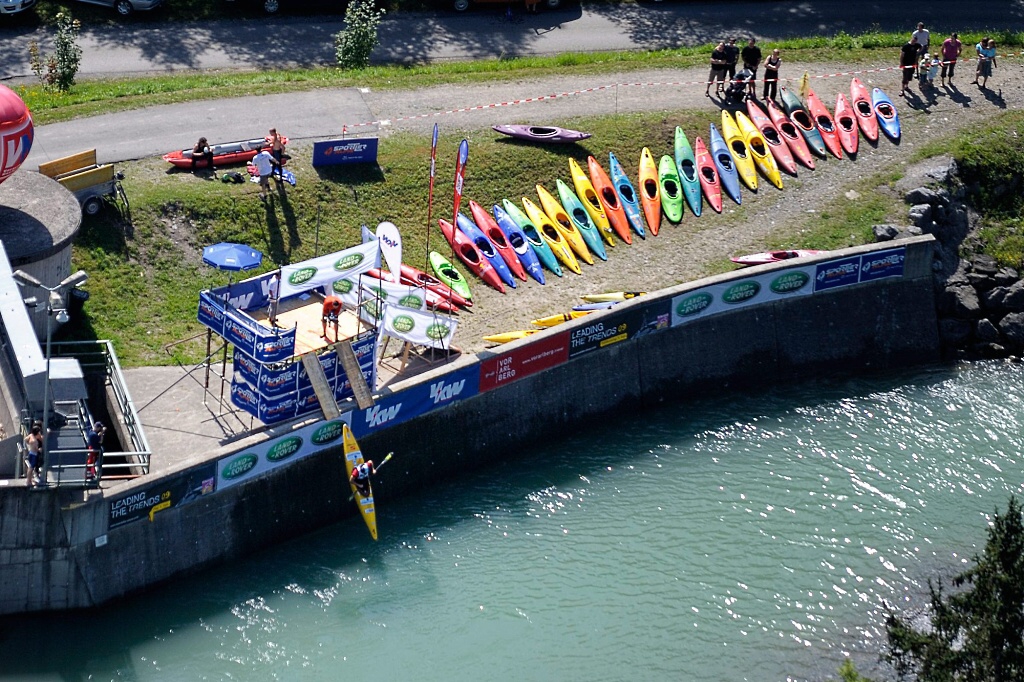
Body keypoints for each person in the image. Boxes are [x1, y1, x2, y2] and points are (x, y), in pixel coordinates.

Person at [24, 424, 42, 488]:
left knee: (30, 468)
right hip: (34, 455)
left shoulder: (31, 436)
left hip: (30, 453)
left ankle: (29, 480)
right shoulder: (35, 441)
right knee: (31, 468)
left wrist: (29, 444)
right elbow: (36, 449)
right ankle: (29, 481)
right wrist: (40, 450)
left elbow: (25, 439)